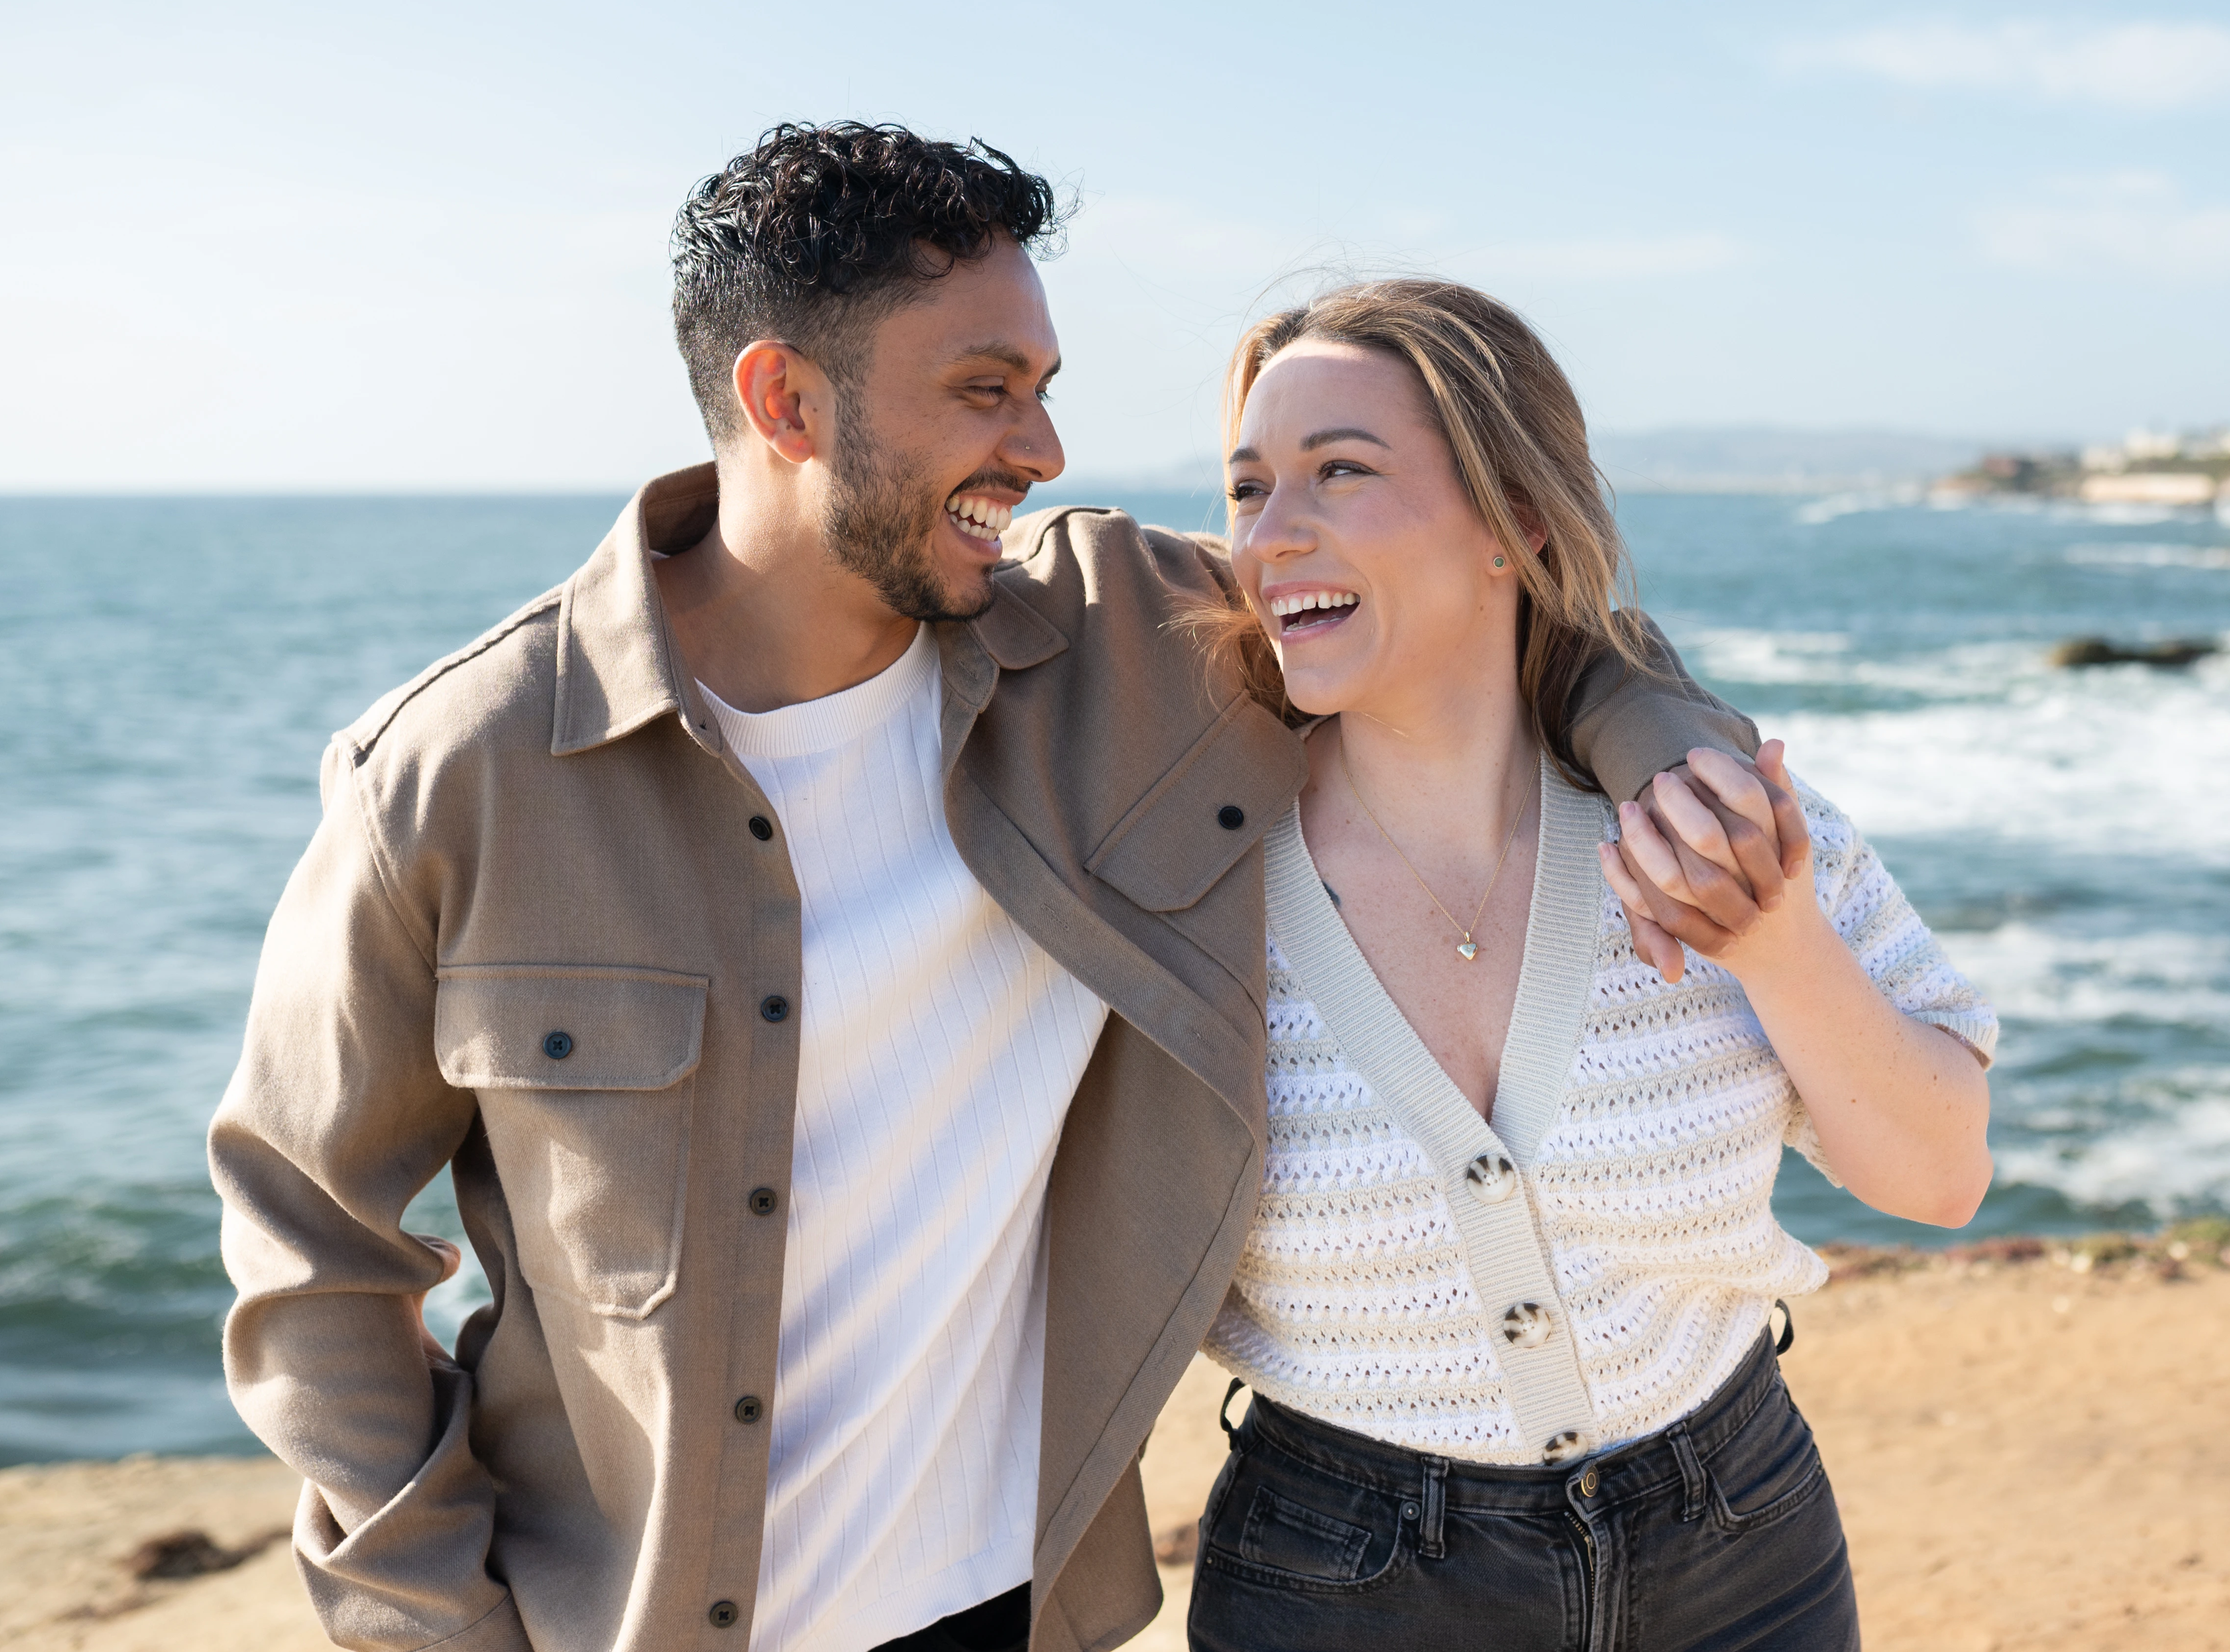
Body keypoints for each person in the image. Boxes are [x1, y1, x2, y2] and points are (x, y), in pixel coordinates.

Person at [208, 124, 1757, 1652]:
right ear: (783, 400)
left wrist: (1665, 751)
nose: (1039, 447)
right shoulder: (457, 772)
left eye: (1040, 388)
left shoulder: (1120, 647)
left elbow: (1481, 609)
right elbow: (306, 1232)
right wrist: (436, 1622)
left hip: (1004, 1610)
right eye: (982, 390)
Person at [1182, 279, 1998, 1651]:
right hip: (1336, 1586)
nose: (1275, 533)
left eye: (1342, 472)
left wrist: (1777, 940)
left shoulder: (1712, 816)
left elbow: (1938, 1173)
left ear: (1516, 525)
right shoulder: (1192, 880)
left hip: (1741, 1548)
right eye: (1249, 488)